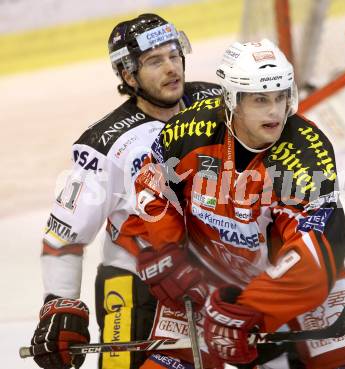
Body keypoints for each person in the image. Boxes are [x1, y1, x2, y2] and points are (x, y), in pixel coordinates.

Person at [133, 39, 345, 369]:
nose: (275, 111)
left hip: (298, 284)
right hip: (209, 275)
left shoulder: (305, 153)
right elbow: (153, 188)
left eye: (280, 96)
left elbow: (313, 252)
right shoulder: (188, 131)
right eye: (261, 99)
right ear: (232, 100)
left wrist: (251, 309)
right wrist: (169, 252)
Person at [28, 13, 221, 369]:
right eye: (154, 61)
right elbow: (63, 234)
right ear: (129, 74)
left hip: (209, 283)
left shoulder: (217, 103)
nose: (171, 68)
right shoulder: (103, 144)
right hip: (135, 286)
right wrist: (60, 303)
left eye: (174, 55)